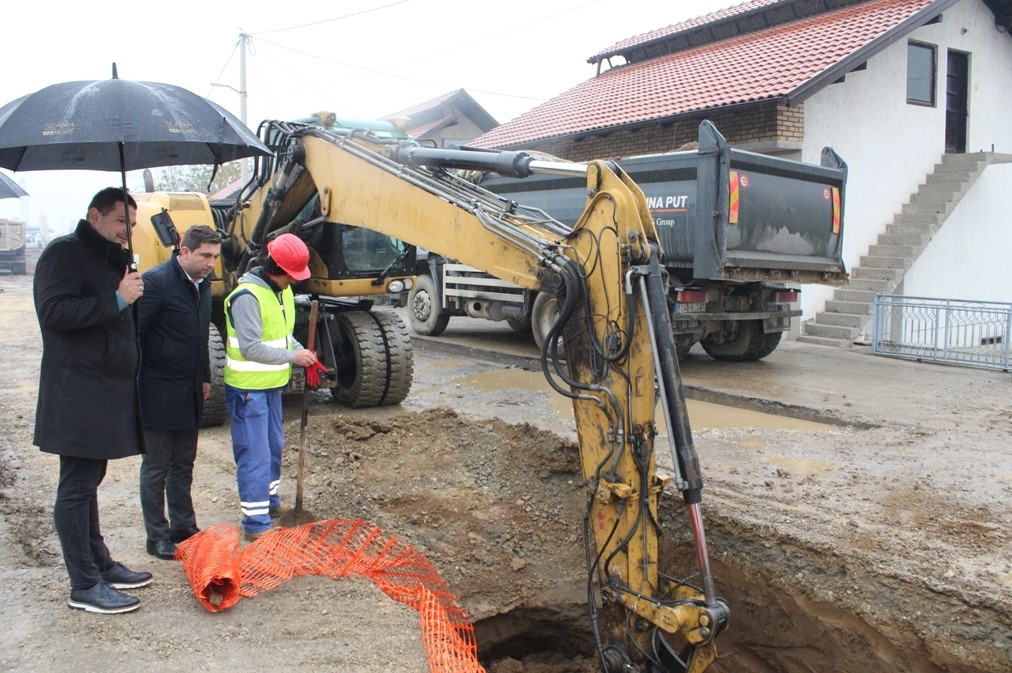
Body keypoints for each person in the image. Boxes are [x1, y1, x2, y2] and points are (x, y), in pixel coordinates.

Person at [33, 187, 153, 614]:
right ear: (95, 216)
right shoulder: (63, 254)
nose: (127, 231)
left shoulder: (112, 258)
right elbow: (54, 313)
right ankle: (84, 584)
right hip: (77, 391)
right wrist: (117, 298)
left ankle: (99, 563)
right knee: (77, 485)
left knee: (90, 482)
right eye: (121, 221)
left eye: (132, 225)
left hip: (105, 390)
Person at [223, 233, 318, 541]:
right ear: (278, 269)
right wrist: (294, 356)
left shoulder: (281, 292)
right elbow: (252, 348)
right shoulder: (247, 297)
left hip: (272, 387)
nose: (296, 281)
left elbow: (281, 336)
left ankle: (270, 502)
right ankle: (255, 523)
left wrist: (302, 351)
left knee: (274, 446)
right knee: (255, 454)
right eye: (293, 275)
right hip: (248, 390)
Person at [137, 225, 222, 560]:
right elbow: (135, 335)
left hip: (188, 389)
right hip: (156, 389)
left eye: (214, 257)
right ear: (183, 252)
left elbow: (200, 336)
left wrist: (203, 376)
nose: (210, 263)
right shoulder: (156, 283)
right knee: (156, 465)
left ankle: (183, 527)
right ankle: (156, 536)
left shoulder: (203, 286)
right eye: (204, 255)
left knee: (184, 463)